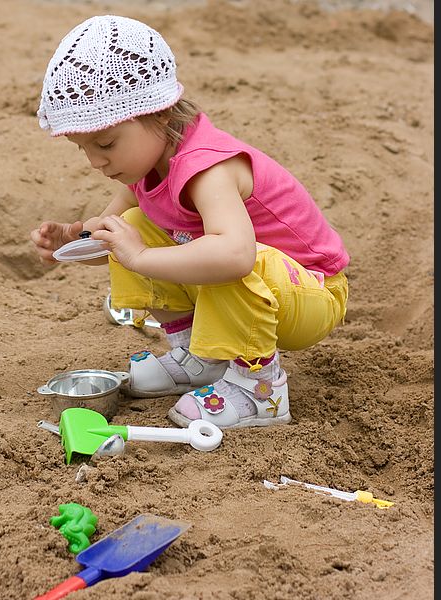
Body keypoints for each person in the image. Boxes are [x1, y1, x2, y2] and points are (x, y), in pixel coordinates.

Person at [31, 15, 349, 429]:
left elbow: (235, 256)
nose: (95, 161)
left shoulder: (207, 168)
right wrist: (71, 242)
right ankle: (199, 356)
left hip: (310, 293)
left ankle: (261, 389)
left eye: (106, 143)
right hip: (260, 290)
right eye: (83, 148)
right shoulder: (144, 170)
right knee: (131, 224)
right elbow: (112, 241)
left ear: (160, 114)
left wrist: (141, 256)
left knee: (227, 252)